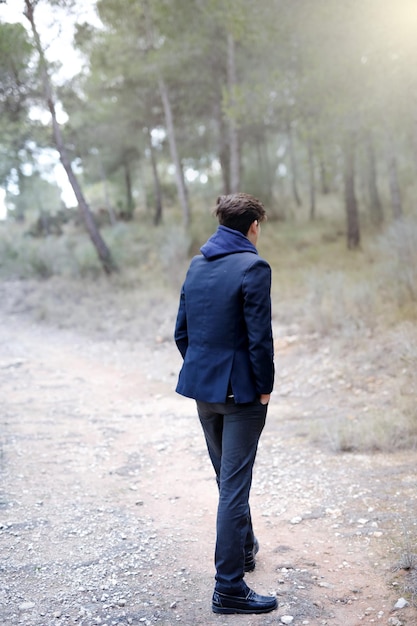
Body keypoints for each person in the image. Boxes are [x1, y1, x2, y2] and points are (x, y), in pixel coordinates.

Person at [174, 193, 277, 615]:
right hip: (241, 395)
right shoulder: (254, 266)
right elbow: (259, 337)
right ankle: (229, 588)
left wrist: (205, 375)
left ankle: (245, 550)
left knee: (226, 479)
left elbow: (182, 333)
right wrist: (264, 386)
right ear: (253, 225)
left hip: (204, 392)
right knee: (234, 486)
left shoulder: (197, 266)